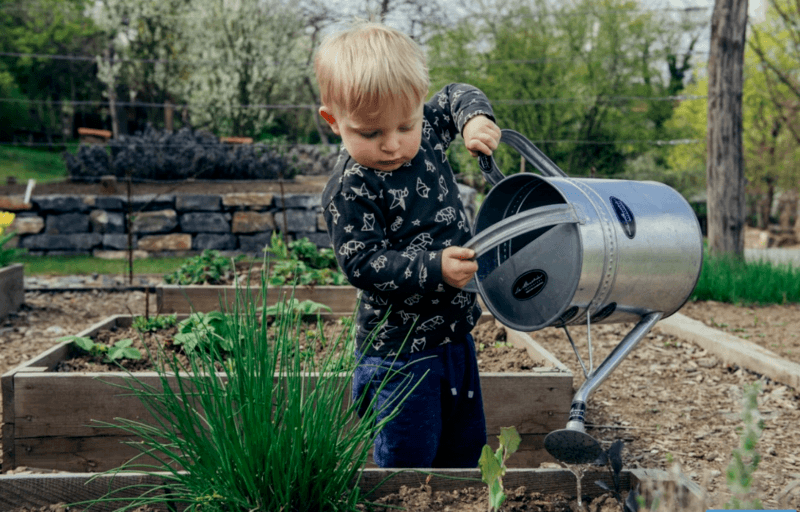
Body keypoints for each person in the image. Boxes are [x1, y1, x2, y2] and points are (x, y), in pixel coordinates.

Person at [315, 20, 501, 468]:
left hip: (456, 337)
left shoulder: (430, 131)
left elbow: (457, 93)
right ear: (333, 121)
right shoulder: (351, 187)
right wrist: (434, 267)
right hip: (399, 354)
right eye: (370, 133)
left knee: (464, 450)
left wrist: (475, 119)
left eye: (405, 124)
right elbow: (363, 263)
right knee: (409, 460)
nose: (393, 145)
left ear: (419, 105)